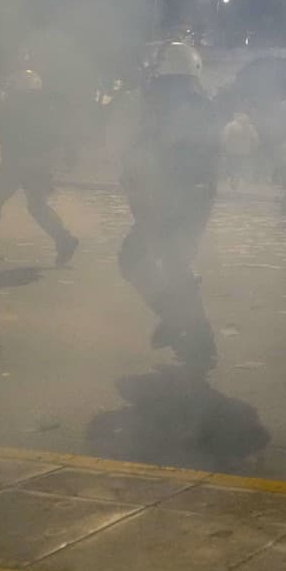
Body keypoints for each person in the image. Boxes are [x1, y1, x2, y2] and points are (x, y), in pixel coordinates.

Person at [117, 42, 221, 371]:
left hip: (169, 196)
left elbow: (152, 150)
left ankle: (190, 333)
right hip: (192, 196)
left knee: (139, 259)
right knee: (175, 263)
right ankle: (186, 330)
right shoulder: (200, 102)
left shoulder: (165, 103)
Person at [0, 68, 78, 266]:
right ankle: (64, 239)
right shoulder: (46, 108)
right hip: (39, 163)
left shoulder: (15, 106)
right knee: (37, 206)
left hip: (17, 162)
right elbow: (60, 134)